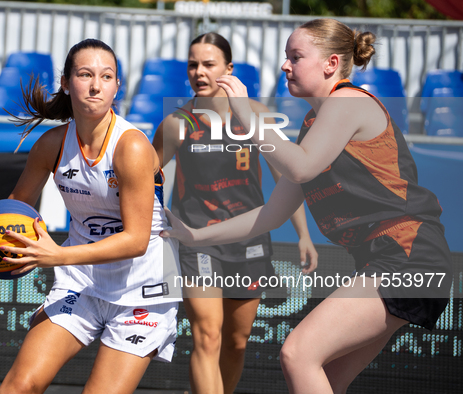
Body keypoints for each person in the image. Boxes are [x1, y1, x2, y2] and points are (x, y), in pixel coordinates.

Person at [162, 19, 452, 394]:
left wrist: (249, 118)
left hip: (408, 255)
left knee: (298, 353)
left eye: (295, 57)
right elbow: (271, 214)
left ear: (331, 63)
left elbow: (300, 166)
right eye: (286, 57)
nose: (285, 65)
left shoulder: (348, 101)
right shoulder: (314, 126)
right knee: (327, 379)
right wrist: (196, 235)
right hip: (391, 258)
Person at [0, 38, 181, 394]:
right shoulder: (51, 144)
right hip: (81, 280)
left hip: (146, 287)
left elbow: (136, 241)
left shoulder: (132, 146)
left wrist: (57, 255)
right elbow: (17, 208)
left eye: (106, 77)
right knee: (19, 387)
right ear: (66, 82)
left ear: (117, 86)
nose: (96, 85)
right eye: (85, 74)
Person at [152, 32, 318, 394]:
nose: (199, 72)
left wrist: (304, 235)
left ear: (228, 69)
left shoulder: (257, 116)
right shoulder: (176, 124)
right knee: (207, 336)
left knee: (236, 341)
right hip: (197, 241)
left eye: (209, 64)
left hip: (250, 239)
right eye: (193, 64)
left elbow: (287, 178)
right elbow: (147, 178)